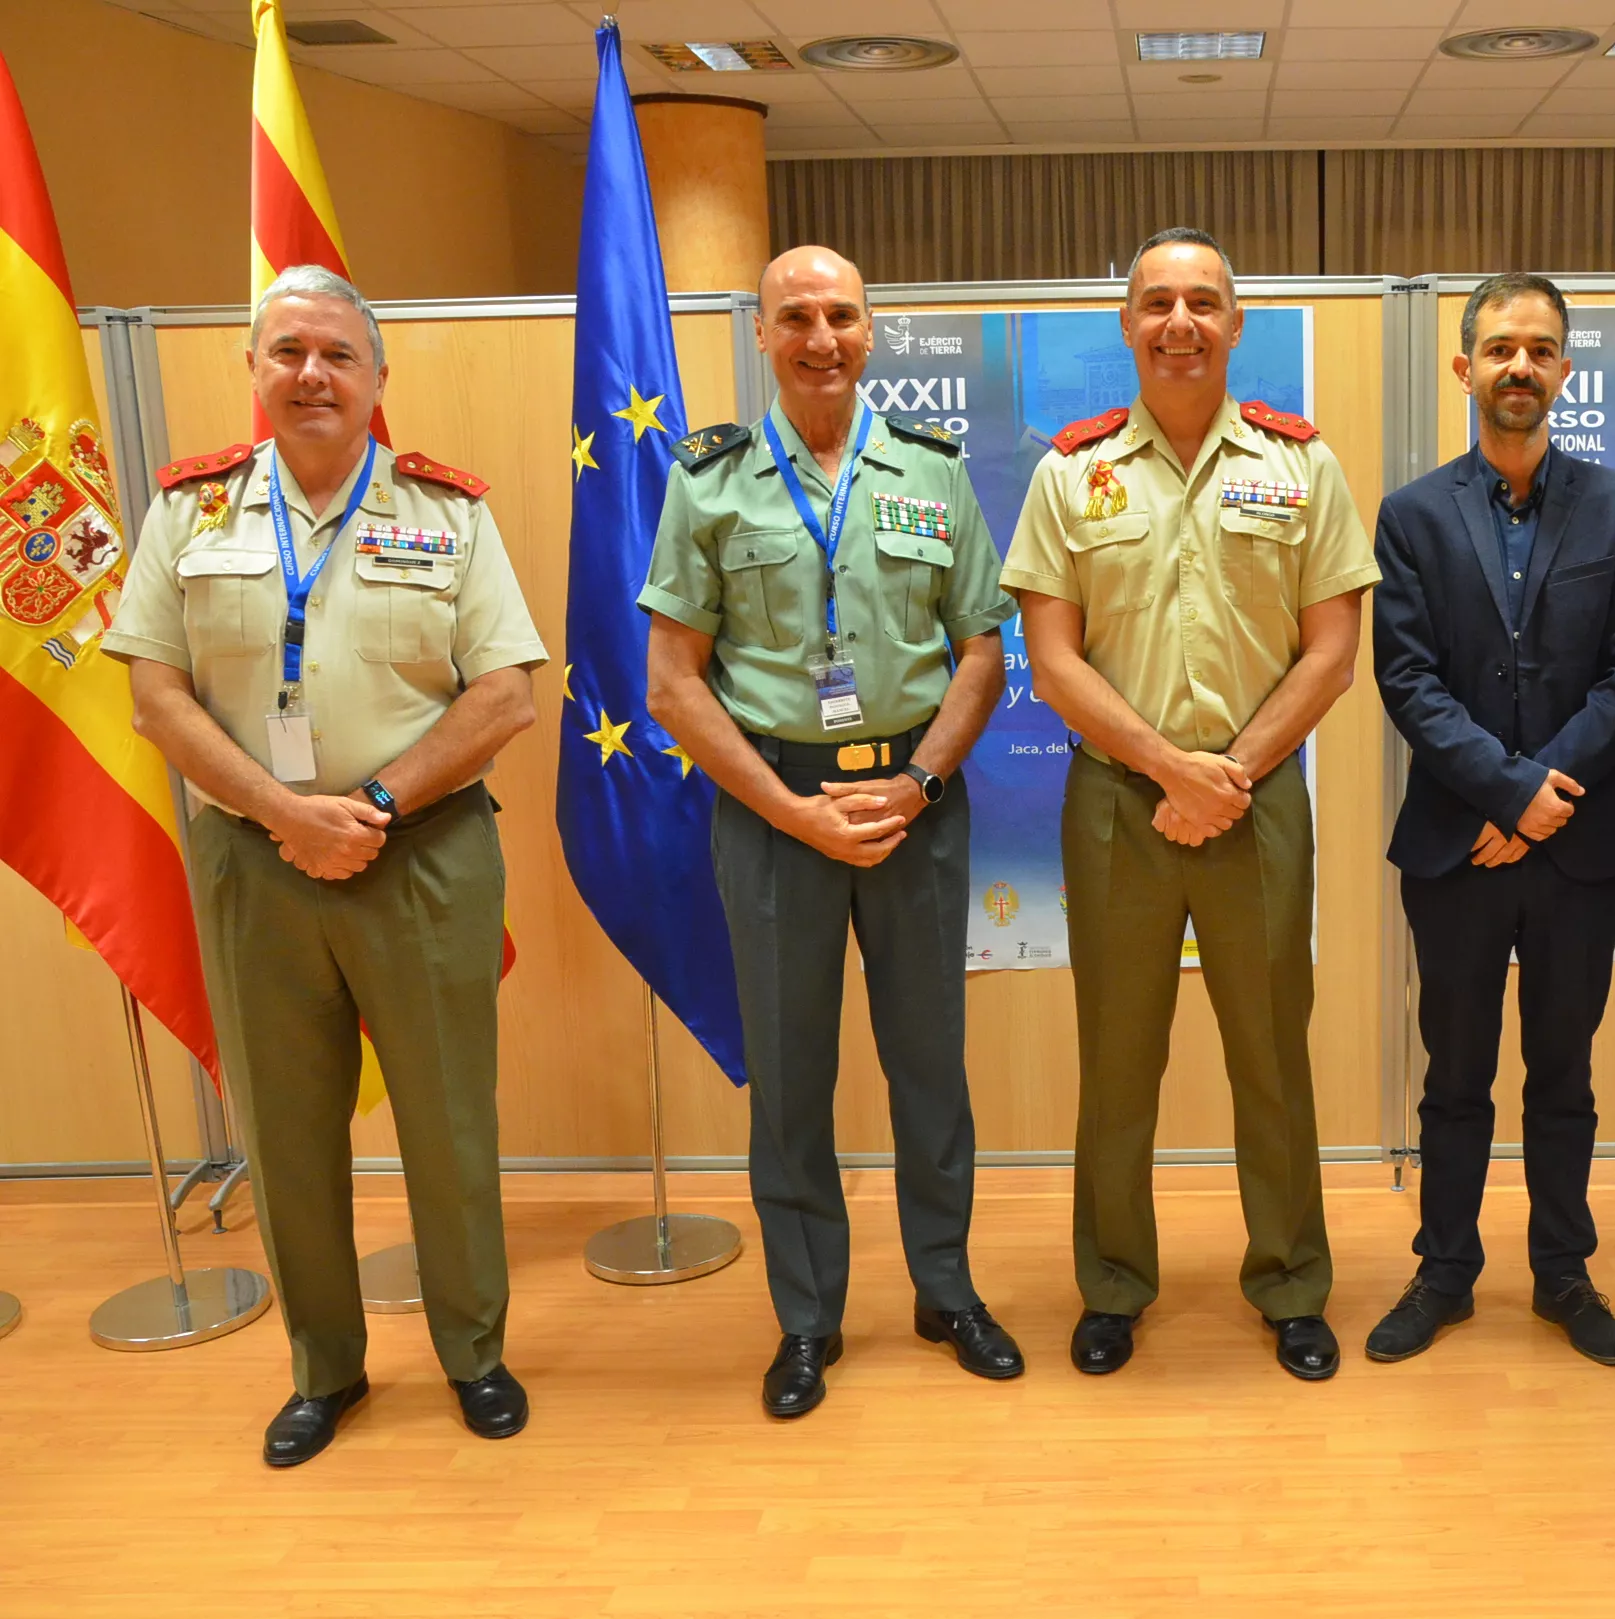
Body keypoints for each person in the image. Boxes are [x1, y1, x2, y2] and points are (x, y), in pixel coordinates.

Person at [106, 265, 547, 1465]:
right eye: (289, 351)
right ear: (253, 368)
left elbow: (505, 694)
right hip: (255, 863)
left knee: (448, 1122)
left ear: (376, 378)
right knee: (286, 1130)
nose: (313, 374)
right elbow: (156, 696)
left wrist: (372, 806)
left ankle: (473, 1352)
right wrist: (283, 813)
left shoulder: (447, 511)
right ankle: (325, 1369)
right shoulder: (189, 512)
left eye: (339, 355)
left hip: (424, 854)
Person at [642, 245, 1024, 1419]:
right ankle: (807, 1318)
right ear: (761, 335)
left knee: (930, 1067)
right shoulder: (709, 482)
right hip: (774, 816)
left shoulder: (931, 471)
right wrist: (789, 810)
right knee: (791, 1077)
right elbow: (672, 682)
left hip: (914, 811)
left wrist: (917, 785)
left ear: (870, 333)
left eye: (842, 317)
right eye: (797, 317)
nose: (821, 338)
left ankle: (945, 1289)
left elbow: (980, 651)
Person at [1001, 227, 1379, 1382]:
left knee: (1271, 1054)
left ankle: (1291, 1283)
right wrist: (1168, 770)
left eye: (1202, 302)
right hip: (1118, 804)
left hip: (1256, 802)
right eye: (1157, 303)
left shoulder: (1300, 465)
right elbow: (1051, 659)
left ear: (1235, 324)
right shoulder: (1070, 472)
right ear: (1127, 324)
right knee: (1118, 1059)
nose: (1180, 323)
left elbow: (1332, 652)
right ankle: (1113, 1284)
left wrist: (1228, 775)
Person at [1365, 272, 1615, 1366]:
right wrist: (1505, 792)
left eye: (1539, 350)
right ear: (1464, 368)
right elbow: (1407, 679)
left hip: (1578, 847)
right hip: (1457, 846)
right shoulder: (1410, 515)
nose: (1519, 367)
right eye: (1500, 349)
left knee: (1563, 1075)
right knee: (1453, 1075)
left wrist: (1537, 801)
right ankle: (1444, 1272)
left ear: (1564, 371)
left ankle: (1562, 1273)